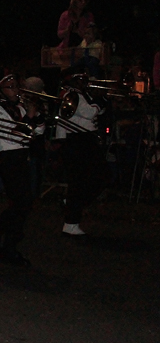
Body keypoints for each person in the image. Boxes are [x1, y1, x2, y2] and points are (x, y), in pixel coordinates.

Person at [0, 74, 46, 267]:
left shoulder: (20, 106)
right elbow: (13, 136)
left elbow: (39, 131)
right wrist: (30, 117)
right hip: (9, 157)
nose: (16, 90)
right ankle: (7, 242)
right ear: (0, 90)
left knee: (23, 202)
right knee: (22, 202)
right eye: (10, 87)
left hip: (22, 155)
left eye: (17, 85)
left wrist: (35, 115)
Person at [56, 66, 107, 236]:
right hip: (78, 140)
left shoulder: (82, 95)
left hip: (83, 139)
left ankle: (72, 202)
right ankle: (70, 222)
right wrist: (101, 100)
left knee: (93, 178)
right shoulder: (72, 95)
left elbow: (99, 111)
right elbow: (90, 112)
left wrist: (100, 101)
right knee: (82, 181)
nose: (85, 83)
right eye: (81, 79)